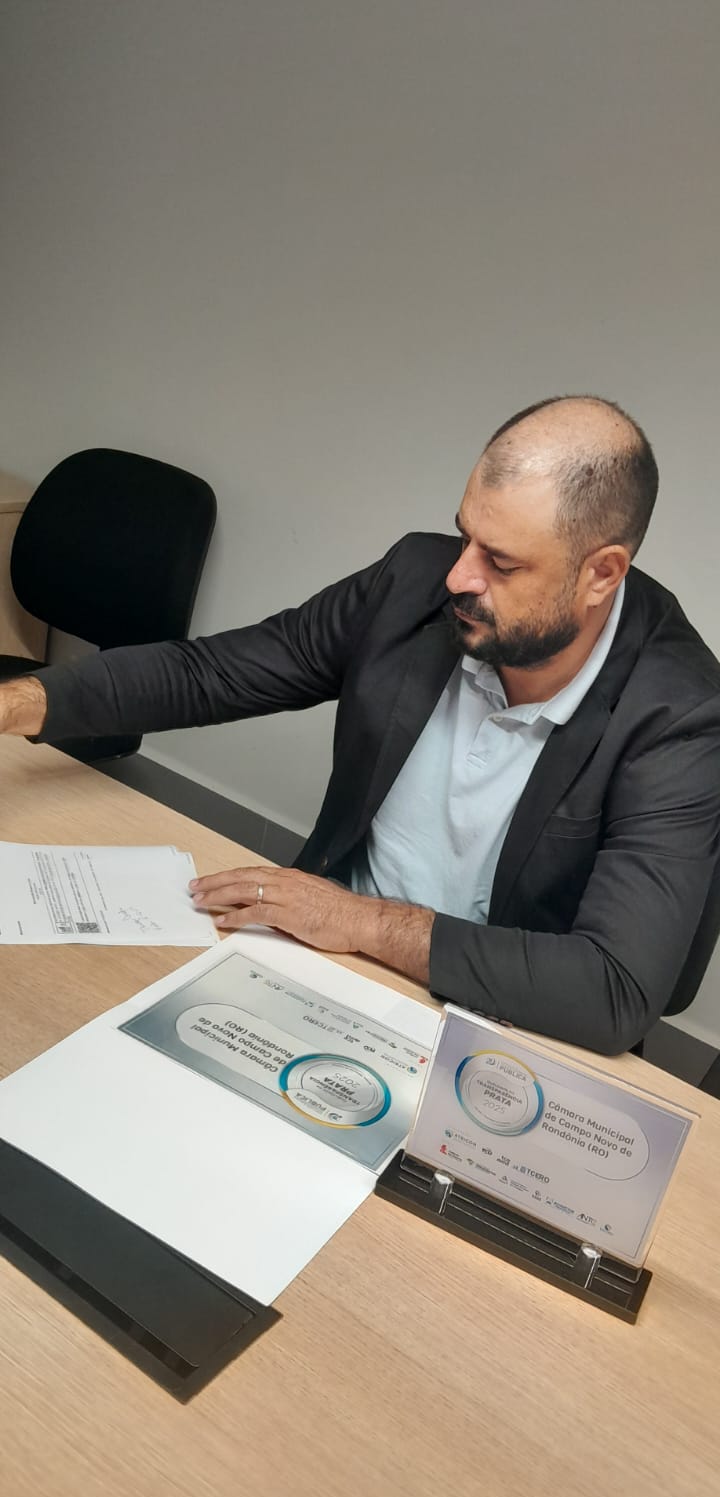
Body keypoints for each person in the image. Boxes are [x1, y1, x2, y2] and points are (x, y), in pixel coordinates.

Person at [2, 396, 719, 1054]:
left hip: (500, 1040)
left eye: (500, 562)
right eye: (465, 536)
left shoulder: (681, 717)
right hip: (317, 969)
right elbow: (213, 673)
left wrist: (361, 920)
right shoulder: (414, 581)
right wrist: (17, 703)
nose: (459, 577)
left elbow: (612, 988)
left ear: (602, 574)